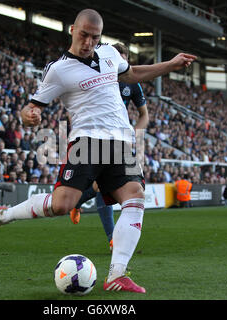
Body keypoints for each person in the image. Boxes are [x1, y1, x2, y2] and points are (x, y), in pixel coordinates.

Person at [0, 8, 196, 294]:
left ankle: (117, 274)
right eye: (84, 35)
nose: (88, 42)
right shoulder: (58, 70)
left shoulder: (112, 54)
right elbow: (32, 106)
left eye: (95, 37)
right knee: (63, 204)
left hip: (121, 142)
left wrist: (170, 65)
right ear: (73, 30)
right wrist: (29, 116)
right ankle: (2, 217)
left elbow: (133, 74)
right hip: (86, 142)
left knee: (135, 196)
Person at [69, 43, 149, 251]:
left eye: (123, 60)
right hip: (99, 137)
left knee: (136, 186)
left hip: (123, 139)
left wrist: (135, 135)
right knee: (101, 186)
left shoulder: (132, 84)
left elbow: (144, 115)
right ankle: (113, 237)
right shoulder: (97, 79)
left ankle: (77, 202)